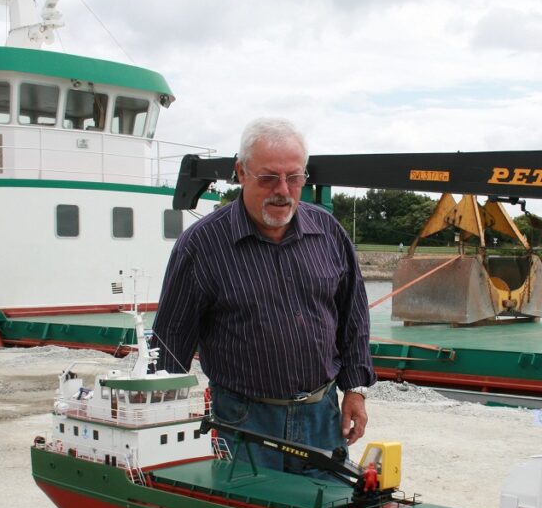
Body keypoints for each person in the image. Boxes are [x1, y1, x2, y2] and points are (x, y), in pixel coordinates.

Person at [153, 117, 375, 476]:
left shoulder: (329, 233)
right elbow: (170, 341)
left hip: (322, 416)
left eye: (295, 177)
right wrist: (158, 416)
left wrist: (356, 390)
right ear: (241, 172)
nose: (283, 190)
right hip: (244, 423)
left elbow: (354, 318)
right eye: (269, 177)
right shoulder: (201, 246)